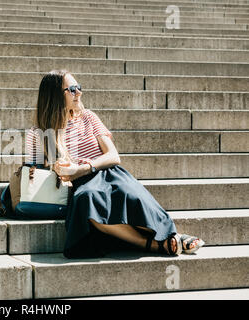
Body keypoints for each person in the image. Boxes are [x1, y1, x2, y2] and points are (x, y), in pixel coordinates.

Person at [25, 69, 205, 258]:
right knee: (88, 200)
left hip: (108, 173)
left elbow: (113, 155)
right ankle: (155, 244)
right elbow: (39, 171)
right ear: (54, 96)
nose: (78, 92)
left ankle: (170, 236)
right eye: (71, 89)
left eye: (78, 87)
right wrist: (58, 168)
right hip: (78, 185)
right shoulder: (41, 132)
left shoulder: (88, 117)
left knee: (129, 194)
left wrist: (85, 167)